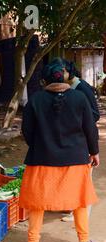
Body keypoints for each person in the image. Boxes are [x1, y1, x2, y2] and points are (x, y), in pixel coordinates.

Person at [19, 58, 100, 242]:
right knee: (79, 200)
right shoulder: (79, 98)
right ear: (65, 77)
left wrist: (40, 146)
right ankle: (83, 240)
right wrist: (94, 152)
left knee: (38, 201)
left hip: (42, 159)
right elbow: (90, 129)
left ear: (44, 81)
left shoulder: (35, 100)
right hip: (76, 159)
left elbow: (27, 131)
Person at [60, 58, 100, 222]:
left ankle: (81, 213)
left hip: (84, 140)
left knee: (84, 181)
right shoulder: (69, 88)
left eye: (62, 71)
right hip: (75, 140)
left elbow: (95, 114)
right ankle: (73, 209)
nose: (59, 74)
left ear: (69, 71)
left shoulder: (82, 88)